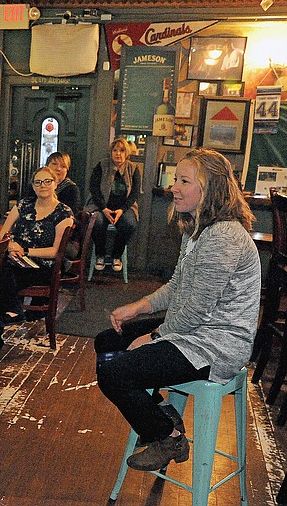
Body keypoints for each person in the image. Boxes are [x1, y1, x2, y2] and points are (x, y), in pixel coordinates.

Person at [95, 148, 260, 472]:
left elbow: (196, 310)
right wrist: (137, 309)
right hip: (193, 331)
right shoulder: (197, 229)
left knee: (115, 372)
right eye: (176, 179)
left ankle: (167, 436)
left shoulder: (223, 236)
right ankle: (163, 414)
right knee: (107, 342)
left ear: (210, 188)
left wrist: (154, 336)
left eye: (184, 180)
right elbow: (177, 287)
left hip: (218, 344)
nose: (175, 187)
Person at [0, 166, 74, 332]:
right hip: (15, 259)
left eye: (47, 181)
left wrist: (25, 250)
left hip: (43, 266)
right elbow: (4, 233)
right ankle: (7, 316)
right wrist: (11, 246)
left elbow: (55, 251)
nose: (42, 185)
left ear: (55, 183)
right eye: (38, 182)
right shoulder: (23, 204)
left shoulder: (63, 213)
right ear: (32, 185)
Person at [86, 138, 141, 273]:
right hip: (101, 206)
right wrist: (104, 209)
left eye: (122, 151)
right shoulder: (101, 165)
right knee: (96, 222)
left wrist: (122, 210)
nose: (118, 154)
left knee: (129, 224)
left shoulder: (133, 168)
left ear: (126, 153)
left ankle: (117, 255)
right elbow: (94, 189)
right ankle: (100, 254)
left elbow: (134, 193)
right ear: (110, 152)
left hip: (124, 208)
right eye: (115, 150)